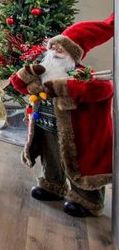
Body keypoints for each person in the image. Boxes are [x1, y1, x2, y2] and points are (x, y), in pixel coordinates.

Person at [10, 14, 114, 217]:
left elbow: (104, 89)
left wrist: (63, 87)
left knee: (78, 164)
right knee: (52, 157)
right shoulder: (43, 71)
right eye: (54, 46)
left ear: (73, 53)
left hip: (74, 133)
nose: (56, 50)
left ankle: (87, 200)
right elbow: (18, 84)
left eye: (62, 47)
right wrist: (27, 72)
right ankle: (52, 184)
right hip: (46, 126)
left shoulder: (80, 75)